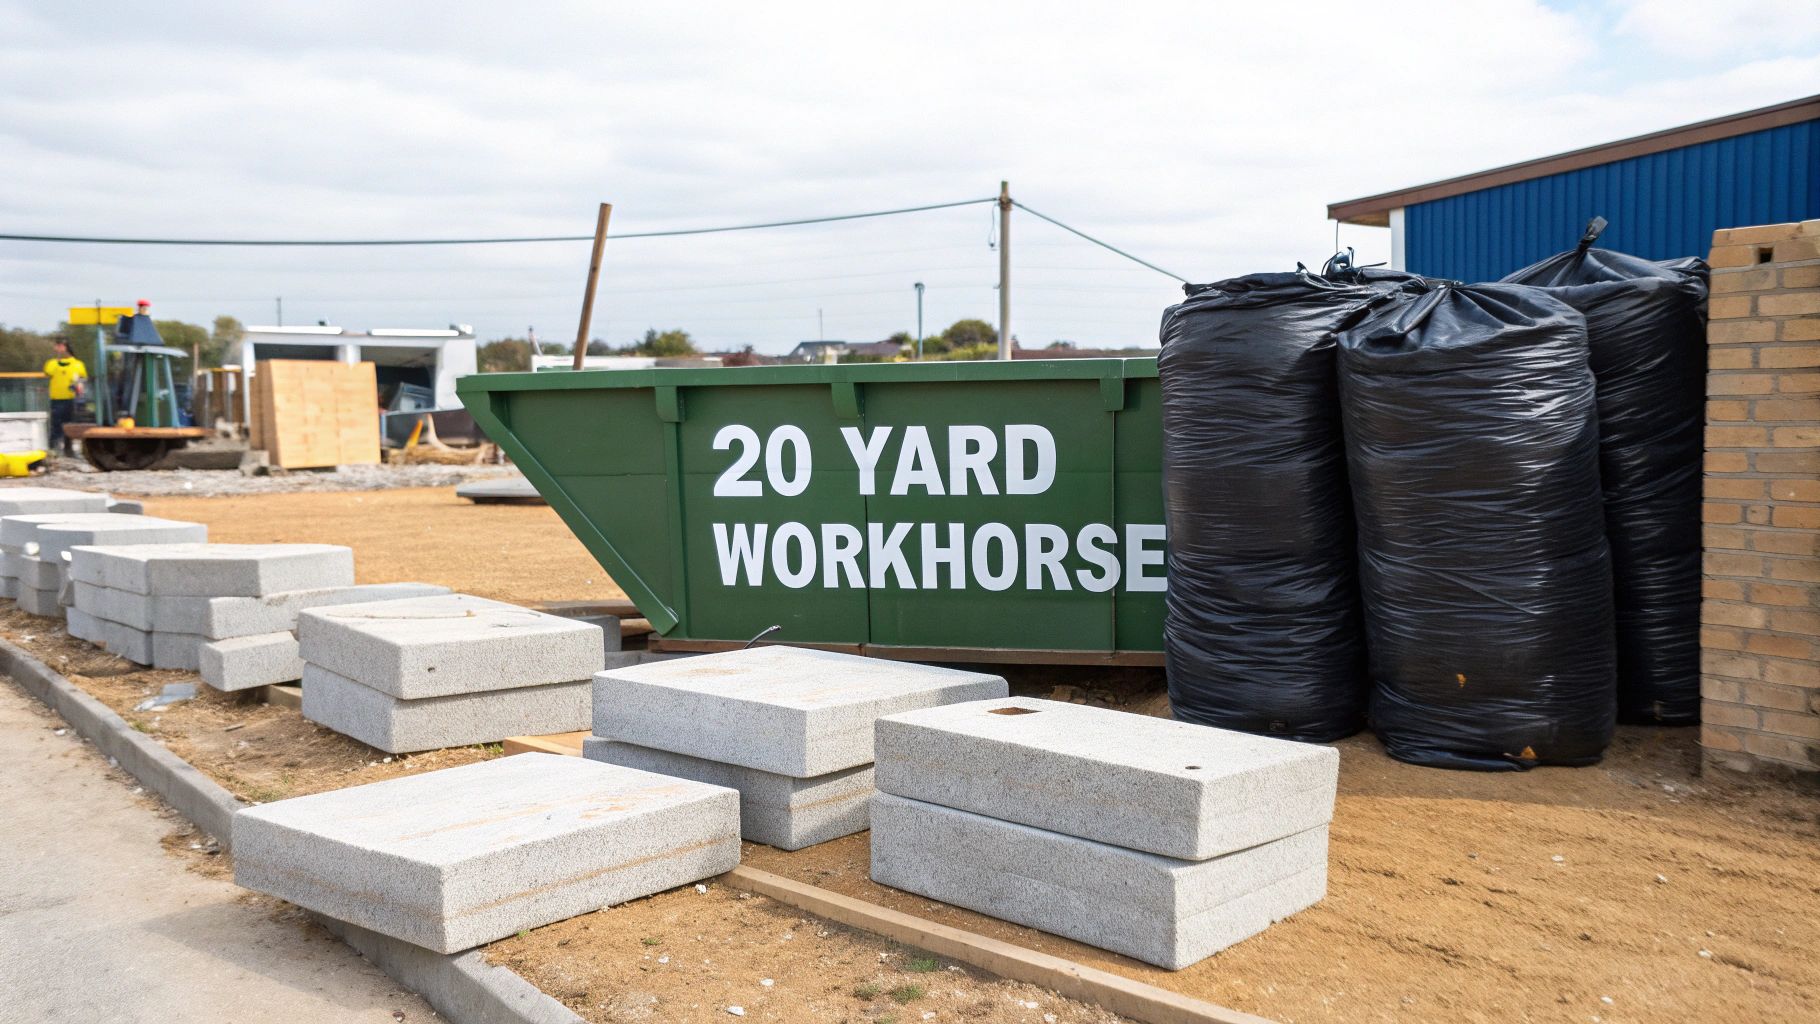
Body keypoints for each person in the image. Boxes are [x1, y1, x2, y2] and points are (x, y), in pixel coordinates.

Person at [43, 340, 88, 457]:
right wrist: (58, 358)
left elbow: (82, 379)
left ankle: (69, 449)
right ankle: (53, 450)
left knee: (70, 424)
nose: (58, 348)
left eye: (61, 346)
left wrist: (79, 388)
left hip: (72, 399)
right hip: (57, 399)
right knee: (55, 425)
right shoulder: (51, 363)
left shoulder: (78, 364)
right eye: (57, 346)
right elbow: (48, 372)